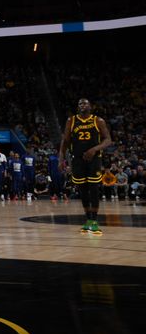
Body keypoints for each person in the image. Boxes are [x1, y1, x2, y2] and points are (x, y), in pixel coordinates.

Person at [58, 98, 111, 235]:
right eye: (80, 103)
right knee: (82, 190)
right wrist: (61, 159)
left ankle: (95, 220)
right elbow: (65, 141)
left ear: (90, 106)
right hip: (77, 160)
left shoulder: (98, 120)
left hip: (94, 160)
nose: (82, 105)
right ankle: (88, 220)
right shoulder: (72, 121)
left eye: (85, 103)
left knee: (93, 189)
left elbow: (108, 140)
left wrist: (94, 149)